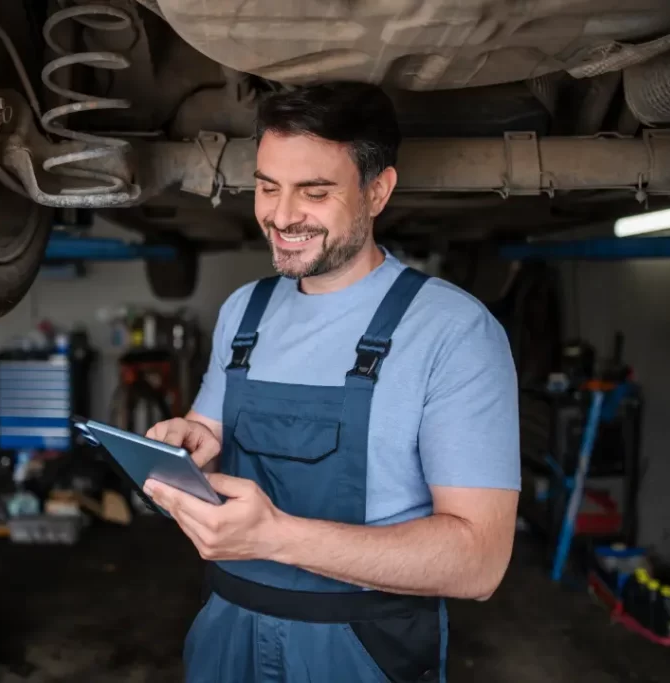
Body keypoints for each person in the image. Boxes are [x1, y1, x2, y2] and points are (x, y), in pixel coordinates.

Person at [142, 82, 520, 683]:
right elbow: (210, 429)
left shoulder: (453, 330)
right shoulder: (245, 310)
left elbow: (479, 562)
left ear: (377, 191)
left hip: (362, 648)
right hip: (227, 630)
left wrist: (276, 537)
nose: (282, 216)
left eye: (314, 192)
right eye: (268, 186)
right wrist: (189, 442)